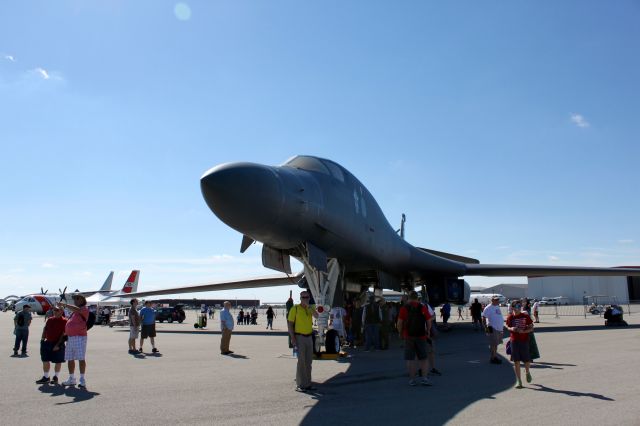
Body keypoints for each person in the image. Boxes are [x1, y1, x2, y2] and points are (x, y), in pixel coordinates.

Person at [397, 291, 433, 386]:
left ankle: (412, 380)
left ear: (409, 298)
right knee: (424, 358)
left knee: (410, 359)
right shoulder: (423, 307)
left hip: (408, 336)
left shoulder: (404, 308)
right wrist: (428, 331)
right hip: (421, 335)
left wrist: (400, 333)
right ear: (417, 298)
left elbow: (399, 323)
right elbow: (429, 321)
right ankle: (424, 378)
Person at [287, 291, 318, 392]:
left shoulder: (310, 308)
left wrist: (309, 307)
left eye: (307, 297)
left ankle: (308, 384)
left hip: (309, 337)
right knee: (301, 362)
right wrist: (293, 339)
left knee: (309, 362)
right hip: (299, 337)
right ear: (300, 298)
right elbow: (290, 324)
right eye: (303, 297)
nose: (305, 299)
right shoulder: (295, 308)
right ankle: (300, 384)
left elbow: (317, 316)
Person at [59, 294, 89, 388]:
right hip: (71, 337)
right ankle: (71, 378)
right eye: (74, 299)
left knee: (81, 358)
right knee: (70, 358)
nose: (75, 300)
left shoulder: (84, 309)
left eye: (77, 298)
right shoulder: (74, 312)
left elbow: (77, 310)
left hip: (79, 337)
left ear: (82, 300)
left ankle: (82, 379)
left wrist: (65, 305)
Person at [505, 301, 534, 389]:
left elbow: (531, 327)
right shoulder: (510, 317)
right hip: (514, 341)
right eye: (517, 306)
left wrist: (524, 331)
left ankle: (527, 372)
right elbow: (507, 326)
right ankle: (519, 381)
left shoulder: (525, 316)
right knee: (516, 361)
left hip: (524, 340)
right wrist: (512, 328)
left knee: (526, 360)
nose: (519, 308)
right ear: (513, 307)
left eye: (520, 306)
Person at [36, 306, 67, 384]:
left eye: (57, 310)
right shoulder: (50, 319)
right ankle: (46, 377)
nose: (55, 311)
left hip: (57, 343)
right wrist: (42, 339)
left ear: (61, 311)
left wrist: (58, 345)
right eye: (54, 310)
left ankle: (56, 377)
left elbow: (64, 335)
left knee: (58, 361)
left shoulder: (65, 321)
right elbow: (45, 329)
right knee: (45, 360)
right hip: (47, 342)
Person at [482, 296, 504, 364]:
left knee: (496, 344)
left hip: (498, 328)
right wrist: (486, 328)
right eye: (495, 300)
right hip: (491, 327)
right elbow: (483, 318)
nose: (497, 301)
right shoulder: (488, 308)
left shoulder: (497, 306)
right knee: (493, 344)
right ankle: (493, 357)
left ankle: (494, 357)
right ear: (492, 300)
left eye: (497, 300)